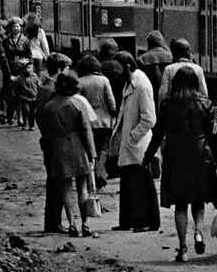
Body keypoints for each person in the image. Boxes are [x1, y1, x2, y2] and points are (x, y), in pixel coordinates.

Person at [145, 65, 217, 262]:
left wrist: (147, 157)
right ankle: (198, 232)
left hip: (176, 156)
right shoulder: (206, 103)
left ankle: (183, 249)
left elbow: (158, 134)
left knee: (180, 204)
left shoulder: (167, 104)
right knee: (198, 200)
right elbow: (213, 135)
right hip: (201, 155)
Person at [36, 73, 97, 238]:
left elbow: (44, 131)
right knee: (82, 188)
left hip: (58, 149)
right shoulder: (77, 104)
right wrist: (92, 153)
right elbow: (86, 130)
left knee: (66, 190)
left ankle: (71, 224)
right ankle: (85, 223)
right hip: (78, 147)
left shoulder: (49, 107)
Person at [110, 51, 159, 232]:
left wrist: (133, 136)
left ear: (128, 66)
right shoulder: (130, 83)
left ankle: (147, 221)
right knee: (129, 182)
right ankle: (129, 221)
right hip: (131, 142)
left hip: (138, 143)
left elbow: (149, 118)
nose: (115, 72)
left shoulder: (142, 85)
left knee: (141, 184)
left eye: (117, 68)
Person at [75, 53, 116, 188]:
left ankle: (91, 176)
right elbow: (111, 102)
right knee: (103, 149)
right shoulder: (104, 80)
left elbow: (78, 103)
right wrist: (113, 114)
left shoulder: (79, 82)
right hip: (104, 121)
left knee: (89, 150)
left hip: (87, 122)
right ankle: (99, 172)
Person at [158, 38, 208, 106]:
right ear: (189, 52)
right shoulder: (198, 69)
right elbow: (204, 93)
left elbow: (163, 94)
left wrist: (162, 111)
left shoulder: (169, 69)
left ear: (174, 53)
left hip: (175, 108)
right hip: (194, 109)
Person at [137, 30, 173, 96]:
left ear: (148, 43)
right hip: (168, 95)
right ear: (162, 42)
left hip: (149, 94)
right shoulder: (171, 57)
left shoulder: (142, 59)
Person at [13, 61, 41, 130]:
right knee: (26, 110)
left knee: (32, 112)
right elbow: (15, 83)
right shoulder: (20, 77)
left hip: (33, 97)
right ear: (23, 69)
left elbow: (38, 84)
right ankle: (24, 123)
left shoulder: (34, 76)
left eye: (31, 68)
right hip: (24, 97)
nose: (30, 69)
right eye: (28, 68)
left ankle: (31, 125)